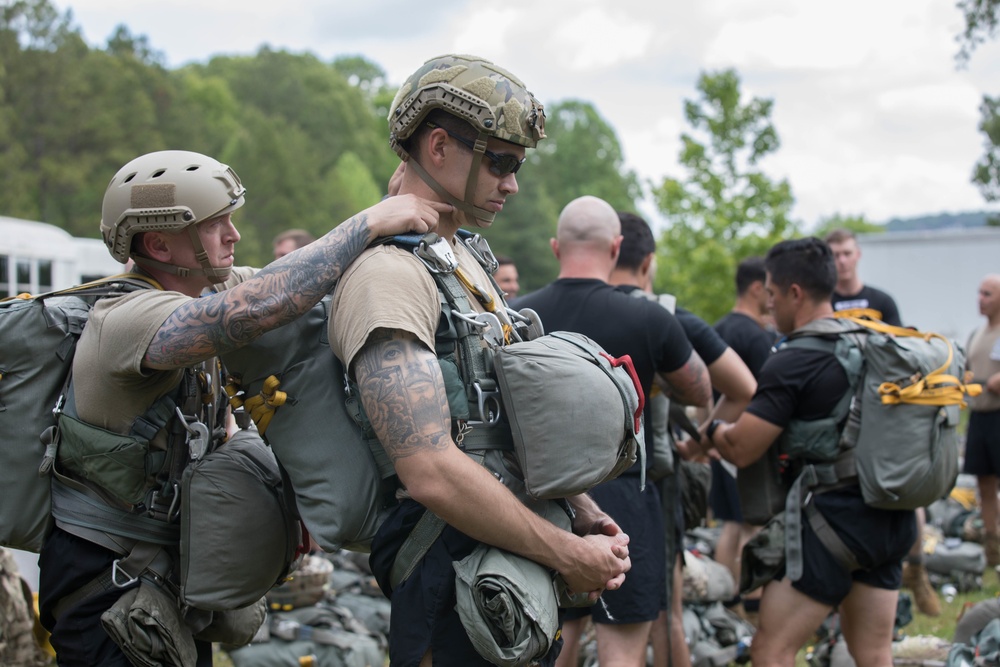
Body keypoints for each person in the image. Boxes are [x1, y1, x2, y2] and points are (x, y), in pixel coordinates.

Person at [37, 149, 445, 666]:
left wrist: (397, 206)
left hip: (163, 574)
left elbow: (291, 280)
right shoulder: (124, 319)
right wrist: (366, 224)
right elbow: (254, 307)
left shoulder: (206, 287)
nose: (233, 234)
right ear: (159, 243)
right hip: (105, 582)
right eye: (214, 225)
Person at [327, 55, 631, 667]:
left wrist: (583, 512)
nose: (512, 183)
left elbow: (509, 419)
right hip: (450, 572)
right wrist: (566, 554)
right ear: (438, 146)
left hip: (505, 560)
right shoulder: (389, 275)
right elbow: (429, 469)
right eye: (500, 161)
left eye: (516, 165)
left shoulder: (464, 261)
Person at [703, 237, 917, 667]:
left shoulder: (796, 358)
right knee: (873, 652)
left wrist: (715, 431)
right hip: (892, 514)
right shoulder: (871, 341)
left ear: (795, 293)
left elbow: (743, 449)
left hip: (833, 524)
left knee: (771, 649)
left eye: (773, 294)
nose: (769, 307)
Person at [517, 196, 711, 667]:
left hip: (544, 501)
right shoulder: (650, 318)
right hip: (627, 497)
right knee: (622, 647)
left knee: (550, 641)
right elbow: (700, 390)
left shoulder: (518, 316)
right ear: (617, 246)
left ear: (555, 247)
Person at [607, 211, 755, 667]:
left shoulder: (564, 308)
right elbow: (742, 387)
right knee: (662, 613)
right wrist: (700, 443)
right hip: (647, 481)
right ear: (647, 261)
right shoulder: (667, 317)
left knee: (568, 621)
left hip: (569, 484)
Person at [825, 228, 938, 616]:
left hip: (881, 409)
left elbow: (902, 353)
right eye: (834, 254)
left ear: (857, 256)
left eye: (846, 253)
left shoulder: (880, 300)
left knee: (901, 487)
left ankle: (916, 567)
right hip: (838, 416)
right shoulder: (825, 302)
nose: (840, 260)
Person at [711, 256, 776, 620]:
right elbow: (763, 397)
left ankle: (726, 604)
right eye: (769, 288)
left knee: (731, 524)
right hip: (744, 446)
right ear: (756, 288)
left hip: (716, 443)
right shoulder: (756, 336)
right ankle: (752, 605)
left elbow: (705, 392)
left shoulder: (718, 330)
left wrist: (708, 437)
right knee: (753, 524)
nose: (772, 297)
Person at [963, 274, 1000, 572]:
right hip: (979, 416)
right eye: (979, 293)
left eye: (987, 294)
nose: (981, 299)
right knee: (984, 484)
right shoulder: (976, 335)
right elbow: (967, 373)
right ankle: (993, 549)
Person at [825, 228, 901, 326]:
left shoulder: (883, 301)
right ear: (827, 259)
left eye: (847, 253)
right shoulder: (822, 305)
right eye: (836, 255)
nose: (842, 261)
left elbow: (899, 339)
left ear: (858, 254)